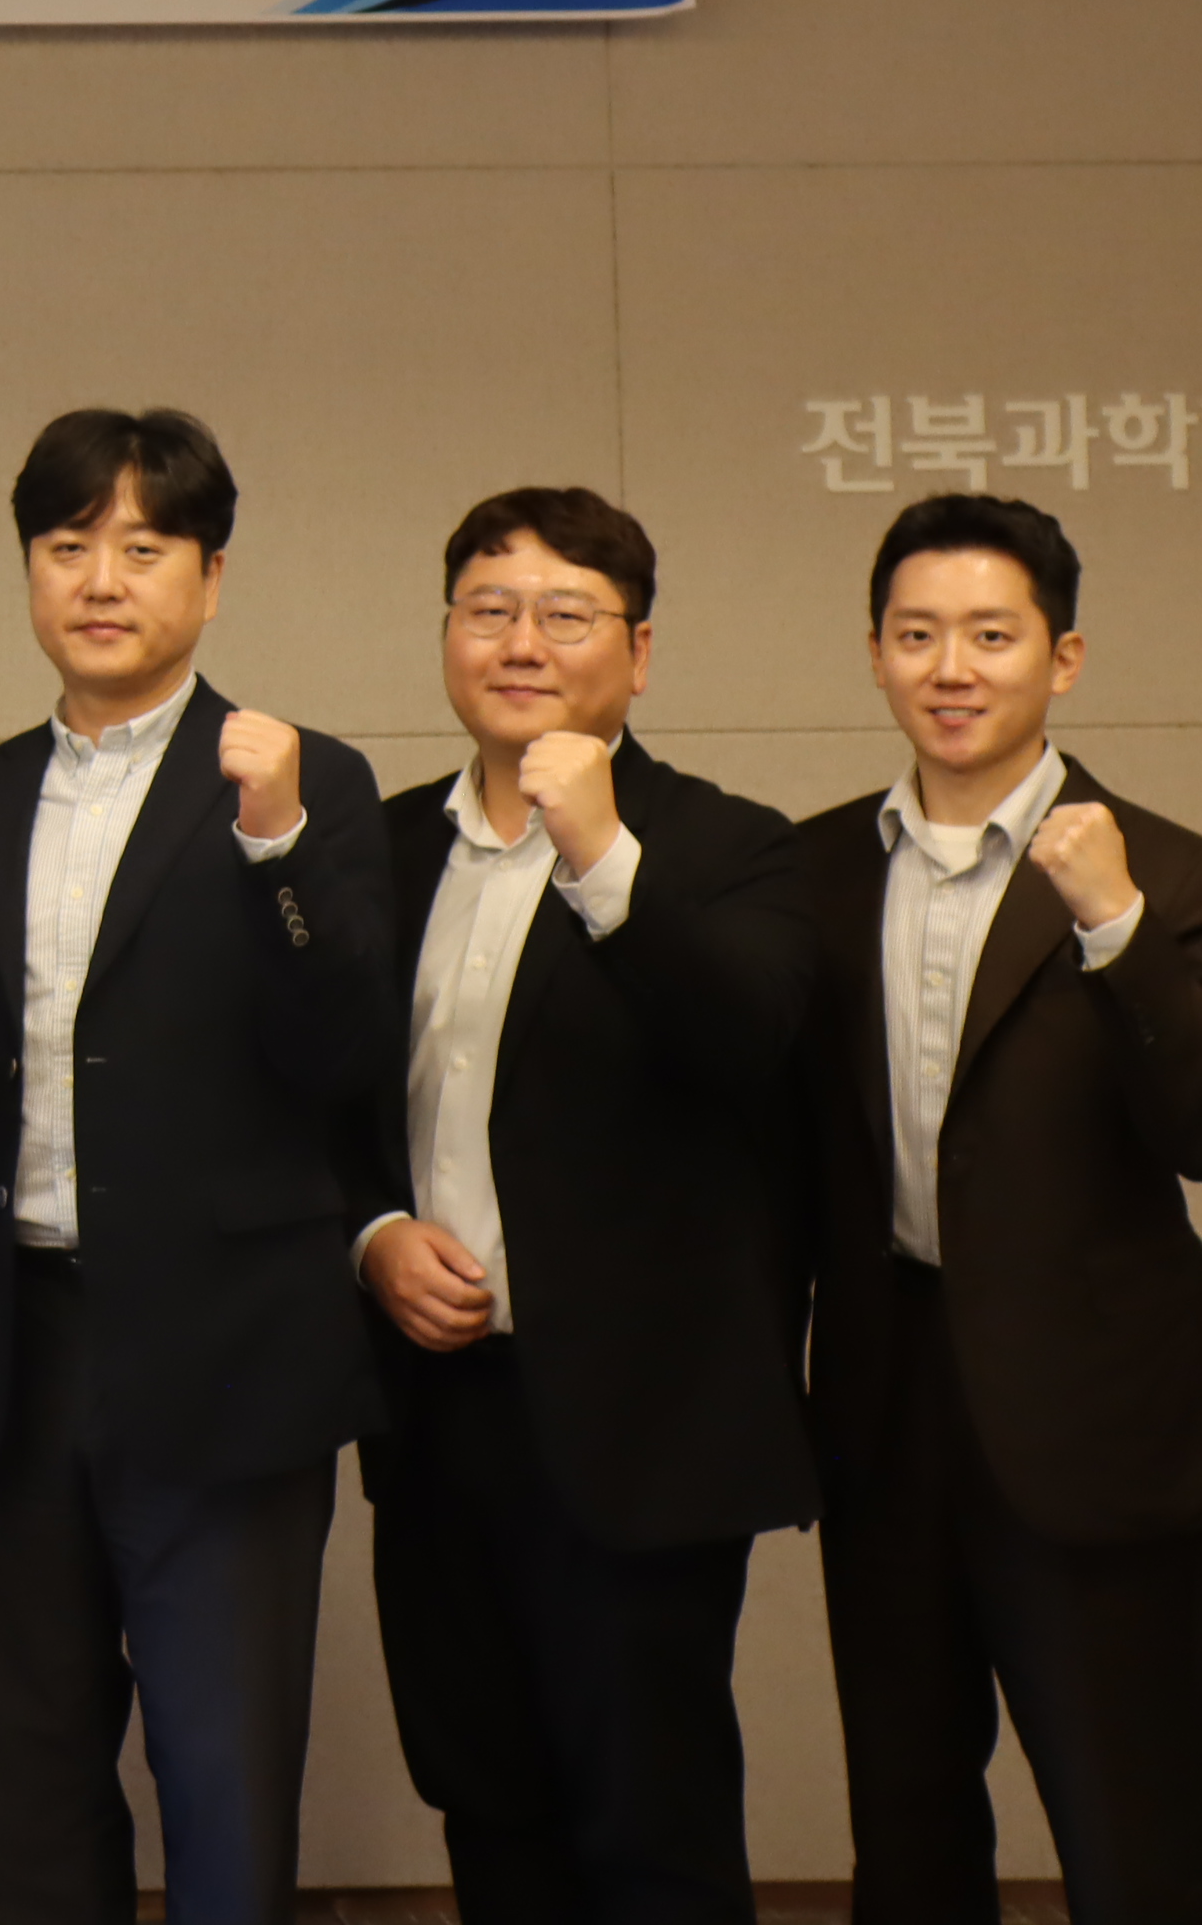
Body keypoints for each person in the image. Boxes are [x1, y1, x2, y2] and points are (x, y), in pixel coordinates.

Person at [0, 406, 395, 1925]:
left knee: (224, 1771)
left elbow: (345, 1051)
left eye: (144, 547)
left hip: (223, 1352)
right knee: (29, 1771)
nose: (101, 580)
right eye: (68, 546)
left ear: (211, 577)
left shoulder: (307, 783)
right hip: (12, 1348)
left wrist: (277, 841)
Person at [795, 494, 1202, 1925]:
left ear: (1062, 657)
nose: (952, 667)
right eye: (918, 634)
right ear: (875, 652)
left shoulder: (1181, 877)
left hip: (1095, 1425)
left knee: (1137, 1850)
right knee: (907, 1839)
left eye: (991, 635)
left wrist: (1117, 926)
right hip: (886, 1412)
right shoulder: (811, 875)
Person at [348, 491, 809, 1925]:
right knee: (487, 1801)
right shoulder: (378, 850)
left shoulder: (732, 847)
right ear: (448, 635)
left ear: (640, 652)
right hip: (438, 1412)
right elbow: (312, 1101)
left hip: (639, 1427)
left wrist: (605, 860)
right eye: (489, 610)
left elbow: (756, 1051)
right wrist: (369, 1237)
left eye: (565, 614)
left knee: (652, 1826)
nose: (521, 642)